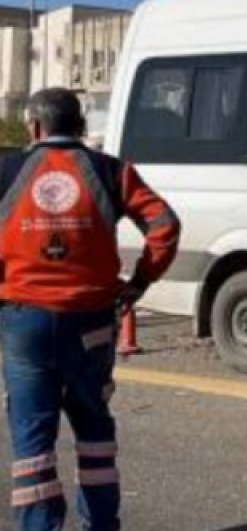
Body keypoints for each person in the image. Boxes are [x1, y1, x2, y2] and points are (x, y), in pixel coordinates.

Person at [0, 88, 181, 531]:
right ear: (81, 126)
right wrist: (140, 281)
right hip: (93, 322)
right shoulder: (110, 171)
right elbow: (164, 225)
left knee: (33, 440)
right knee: (94, 430)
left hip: (24, 320)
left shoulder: (6, 170)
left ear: (34, 128)